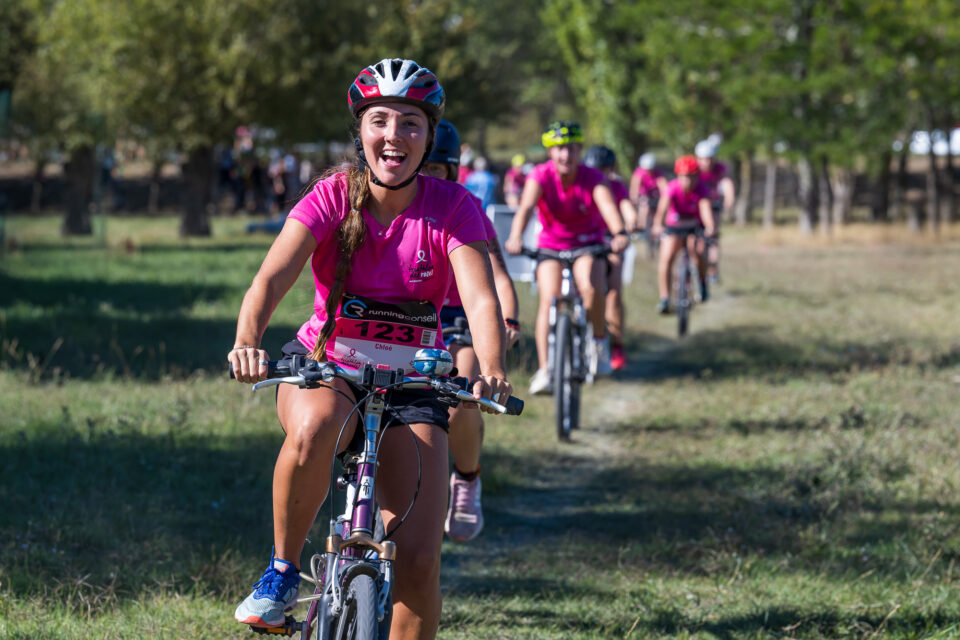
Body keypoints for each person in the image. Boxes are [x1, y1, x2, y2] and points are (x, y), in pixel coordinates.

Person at [228, 58, 512, 639]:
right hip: (326, 367)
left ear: (428, 136)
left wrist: (491, 368)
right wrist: (247, 341)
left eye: (411, 123)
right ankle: (282, 573)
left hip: (415, 385)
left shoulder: (453, 207)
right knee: (316, 425)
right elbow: (269, 280)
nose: (394, 135)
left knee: (420, 560)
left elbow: (481, 300)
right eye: (380, 120)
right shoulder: (334, 195)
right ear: (360, 131)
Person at [422, 119, 520, 543]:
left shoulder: (466, 208)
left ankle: (466, 478)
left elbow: (497, 275)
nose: (425, 178)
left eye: (436, 169)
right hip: (395, 320)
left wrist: (509, 320)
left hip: (454, 321)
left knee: (459, 394)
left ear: (453, 169)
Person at [504, 121, 630, 395]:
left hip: (587, 244)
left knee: (591, 288)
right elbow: (525, 207)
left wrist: (619, 232)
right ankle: (546, 369)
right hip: (551, 247)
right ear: (550, 151)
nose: (566, 155)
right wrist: (515, 236)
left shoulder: (592, 177)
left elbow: (607, 205)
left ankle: (598, 343)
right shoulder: (540, 175)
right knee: (548, 299)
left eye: (572, 149)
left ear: (579, 150)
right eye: (560, 149)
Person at [583, 145, 638, 372]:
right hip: (584, 242)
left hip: (610, 242)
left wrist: (631, 222)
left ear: (610, 170)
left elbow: (626, 207)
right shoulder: (582, 184)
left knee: (613, 291)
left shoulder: (616, 186)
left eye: (603, 169)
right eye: (594, 169)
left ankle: (617, 343)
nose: (599, 173)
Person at [651, 155, 716, 314]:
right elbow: (661, 210)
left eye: (691, 177)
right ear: (678, 176)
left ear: (697, 176)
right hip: (675, 226)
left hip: (695, 226)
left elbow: (706, 210)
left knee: (699, 251)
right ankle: (665, 298)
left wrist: (710, 226)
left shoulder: (702, 189)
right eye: (684, 177)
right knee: (666, 258)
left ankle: (702, 282)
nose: (687, 181)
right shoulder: (672, 188)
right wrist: (657, 225)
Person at [694, 139, 735, 283]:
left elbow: (727, 183)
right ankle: (695, 265)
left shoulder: (719, 170)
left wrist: (729, 200)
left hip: (714, 206)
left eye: (709, 159)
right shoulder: (694, 170)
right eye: (703, 159)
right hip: (696, 208)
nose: (706, 162)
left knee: (713, 239)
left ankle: (713, 270)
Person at [630, 152, 667, 231]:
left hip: (656, 197)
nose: (649, 171)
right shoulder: (639, 173)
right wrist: (635, 199)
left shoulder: (658, 173)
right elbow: (635, 188)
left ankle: (658, 227)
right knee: (644, 207)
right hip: (644, 197)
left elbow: (664, 187)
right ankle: (641, 229)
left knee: (661, 208)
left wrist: (665, 198)